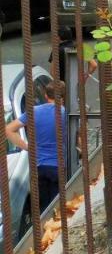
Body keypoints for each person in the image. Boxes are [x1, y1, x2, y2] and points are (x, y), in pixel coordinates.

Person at [5, 80, 67, 213]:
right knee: (60, 208)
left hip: (39, 167)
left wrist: (27, 147)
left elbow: (8, 130)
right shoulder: (65, 114)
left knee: (43, 210)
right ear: (63, 98)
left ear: (45, 95)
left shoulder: (33, 112)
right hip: (59, 167)